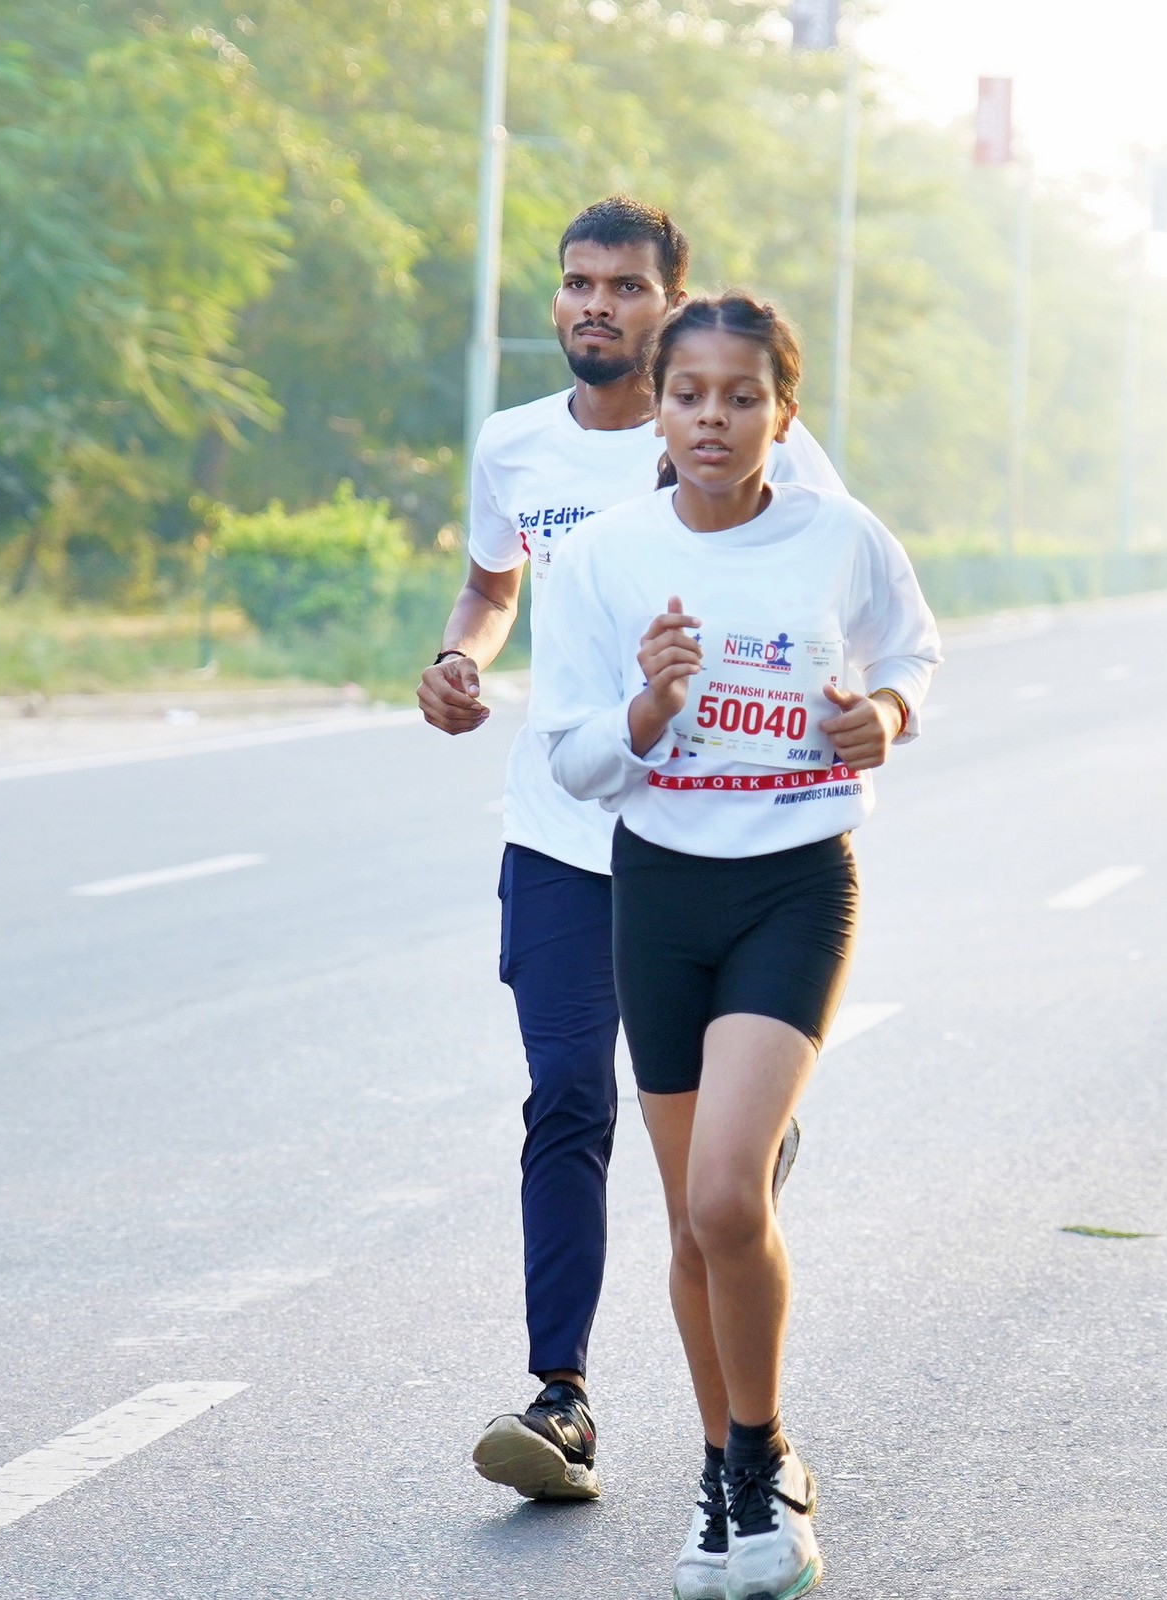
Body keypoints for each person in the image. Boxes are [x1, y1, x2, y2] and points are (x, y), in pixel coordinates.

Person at [417, 197, 840, 1505]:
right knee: (565, 1094)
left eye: (625, 285)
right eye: (576, 281)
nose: (595, 303)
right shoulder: (512, 444)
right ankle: (562, 1399)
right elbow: (493, 585)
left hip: (707, 841)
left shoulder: (737, 432)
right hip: (560, 830)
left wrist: (841, 713)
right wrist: (460, 656)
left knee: (707, 1180)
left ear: (670, 306)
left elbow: (833, 578)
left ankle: (750, 1433)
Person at [531, 293, 941, 1600]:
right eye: (688, 394)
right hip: (659, 889)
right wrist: (647, 706)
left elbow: (914, 653)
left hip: (794, 882)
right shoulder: (604, 559)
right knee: (693, 1223)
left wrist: (888, 711)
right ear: (656, 410)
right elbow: (572, 758)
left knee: (723, 1195)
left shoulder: (840, 536)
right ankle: (723, 1478)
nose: (713, 418)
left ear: (783, 411)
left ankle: (762, 1463)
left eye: (741, 396)